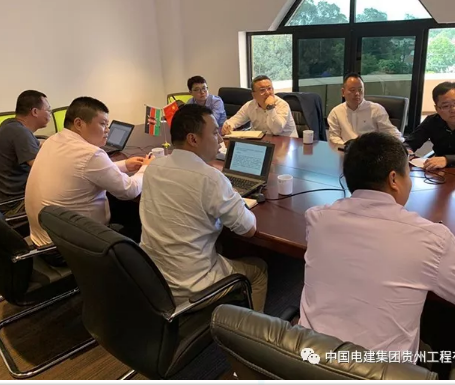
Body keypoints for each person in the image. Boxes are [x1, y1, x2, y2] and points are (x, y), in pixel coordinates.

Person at [299, 132, 455, 359]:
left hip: (302, 362)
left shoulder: (317, 218)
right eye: (408, 174)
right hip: (379, 371)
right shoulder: (431, 238)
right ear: (393, 179)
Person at [139, 104, 268, 312]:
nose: (220, 139)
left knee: (220, 245)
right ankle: (251, 329)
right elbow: (249, 229)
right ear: (193, 139)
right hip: (190, 287)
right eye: (215, 133)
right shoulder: (210, 178)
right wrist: (234, 194)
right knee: (259, 270)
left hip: (152, 277)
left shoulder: (153, 167)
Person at [25, 96, 153, 247]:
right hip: (72, 246)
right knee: (140, 218)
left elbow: (81, 170)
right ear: (79, 123)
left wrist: (125, 164)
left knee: (120, 206)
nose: (107, 130)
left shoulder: (53, 141)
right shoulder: (90, 153)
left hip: (45, 237)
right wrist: (145, 168)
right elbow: (129, 191)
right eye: (103, 124)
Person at [0, 90, 52, 215]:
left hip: (0, 200)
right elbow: (43, 170)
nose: (50, 114)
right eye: (48, 110)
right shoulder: (20, 133)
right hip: (14, 205)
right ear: (35, 112)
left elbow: (35, 143)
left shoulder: (9, 124)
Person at [327, 72, 403, 145]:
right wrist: (346, 148)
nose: (357, 93)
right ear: (343, 92)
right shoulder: (336, 112)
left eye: (360, 90)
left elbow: (393, 135)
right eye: (352, 90)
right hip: (345, 151)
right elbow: (334, 138)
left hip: (370, 151)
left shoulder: (376, 110)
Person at [221, 75, 298, 138]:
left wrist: (270, 108)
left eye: (269, 88)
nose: (267, 93)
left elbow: (277, 131)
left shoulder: (282, 105)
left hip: (286, 143)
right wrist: (227, 127)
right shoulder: (250, 106)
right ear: (253, 95)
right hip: (262, 142)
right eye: (262, 90)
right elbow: (233, 121)